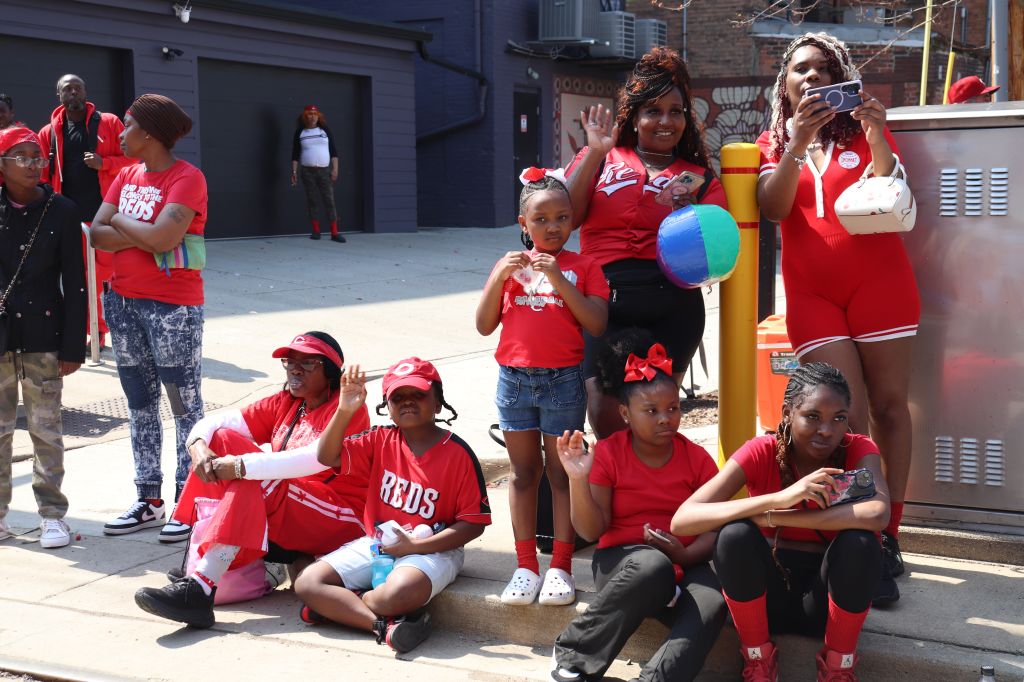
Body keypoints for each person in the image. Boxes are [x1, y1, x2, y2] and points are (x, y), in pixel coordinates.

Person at [755, 32, 919, 604]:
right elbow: (772, 207)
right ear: (785, 84)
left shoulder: (861, 129)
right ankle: (855, 531)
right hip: (812, 295)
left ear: (840, 77)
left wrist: (875, 136)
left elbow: (889, 186)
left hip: (882, 285)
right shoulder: (773, 142)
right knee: (846, 418)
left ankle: (888, 531)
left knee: (890, 408)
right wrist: (797, 142)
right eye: (800, 69)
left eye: (824, 69)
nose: (812, 77)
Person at [133, 331, 371, 628]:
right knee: (221, 439)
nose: (295, 370)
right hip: (295, 509)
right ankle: (199, 564)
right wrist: (198, 447)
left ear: (331, 372)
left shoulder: (348, 407)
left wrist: (240, 466)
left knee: (254, 476)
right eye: (290, 362)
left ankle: (201, 587)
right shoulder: (287, 402)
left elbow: (315, 459)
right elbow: (217, 423)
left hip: (341, 516)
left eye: (308, 363)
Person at [671, 363, 890, 681]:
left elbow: (878, 513)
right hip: (766, 599)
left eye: (839, 418)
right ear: (787, 413)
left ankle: (838, 668)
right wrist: (779, 498)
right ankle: (758, 663)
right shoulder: (762, 451)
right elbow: (683, 520)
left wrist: (777, 518)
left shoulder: (857, 448)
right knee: (733, 535)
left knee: (861, 541)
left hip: (828, 600)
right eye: (813, 416)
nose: (827, 430)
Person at [566, 46, 728, 440]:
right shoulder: (602, 156)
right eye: (653, 111)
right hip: (603, 304)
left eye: (676, 111)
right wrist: (594, 153)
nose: (666, 121)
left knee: (657, 416)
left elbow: (718, 256)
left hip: (672, 307)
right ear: (634, 116)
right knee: (605, 414)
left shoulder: (700, 178)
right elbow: (566, 216)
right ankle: (616, 481)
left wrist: (691, 218)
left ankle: (655, 481)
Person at [549, 329, 725, 682]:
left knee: (713, 603)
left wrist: (685, 554)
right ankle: (574, 655)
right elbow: (591, 530)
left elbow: (713, 529)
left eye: (673, 408)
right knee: (652, 565)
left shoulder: (698, 460)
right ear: (625, 413)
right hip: (625, 565)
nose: (665, 418)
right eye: (651, 410)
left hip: (686, 560)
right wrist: (578, 479)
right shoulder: (609, 453)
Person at [475, 166, 609, 607]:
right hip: (514, 381)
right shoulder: (508, 266)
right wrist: (499, 277)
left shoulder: (584, 267)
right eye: (541, 219)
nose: (553, 227)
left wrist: (557, 279)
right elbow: (484, 325)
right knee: (523, 474)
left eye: (562, 218)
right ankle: (525, 566)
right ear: (523, 223)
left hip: (562, 382)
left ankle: (561, 567)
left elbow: (596, 322)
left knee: (561, 474)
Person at [294, 357, 491, 653]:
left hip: (434, 549)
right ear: (387, 405)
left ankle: (344, 606)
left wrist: (415, 546)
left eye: (418, 394)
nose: (407, 401)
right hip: (378, 545)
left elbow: (473, 524)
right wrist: (344, 410)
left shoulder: (458, 453)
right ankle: (383, 627)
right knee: (308, 583)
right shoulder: (380, 438)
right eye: (398, 397)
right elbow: (326, 456)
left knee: (397, 593)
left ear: (438, 403)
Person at [89, 94, 208, 542]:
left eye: (128, 125)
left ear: (151, 133)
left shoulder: (187, 178)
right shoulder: (125, 174)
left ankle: (190, 502)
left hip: (171, 308)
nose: (120, 134)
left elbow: (163, 239)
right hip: (122, 302)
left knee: (182, 405)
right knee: (139, 403)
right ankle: (149, 500)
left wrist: (121, 222)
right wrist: (143, 231)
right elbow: (96, 235)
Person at [0, 127, 86, 549]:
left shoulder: (62, 210)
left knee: (46, 430)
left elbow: (76, 281)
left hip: (45, 336)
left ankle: (52, 516)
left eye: (38, 157)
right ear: (2, 164)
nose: (34, 164)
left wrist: (73, 345)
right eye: (22, 157)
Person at [38, 74, 135, 349]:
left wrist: (105, 163)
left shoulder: (109, 123)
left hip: (107, 216)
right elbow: (42, 175)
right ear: (59, 95)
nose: (73, 92)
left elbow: (134, 159)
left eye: (77, 88)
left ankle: (115, 328)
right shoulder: (48, 133)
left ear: (85, 92)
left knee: (109, 277)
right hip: (70, 218)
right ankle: (93, 331)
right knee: (80, 279)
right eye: (67, 89)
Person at [291, 105, 344, 243]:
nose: (313, 116)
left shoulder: (324, 130)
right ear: (305, 116)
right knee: (312, 201)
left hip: (324, 171)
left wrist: (335, 169)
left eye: (315, 114)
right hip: (307, 172)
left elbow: (333, 151)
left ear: (319, 116)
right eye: (310, 114)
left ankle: (334, 233)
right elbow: (295, 154)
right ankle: (316, 231)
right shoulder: (300, 132)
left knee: (329, 201)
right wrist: (294, 172)